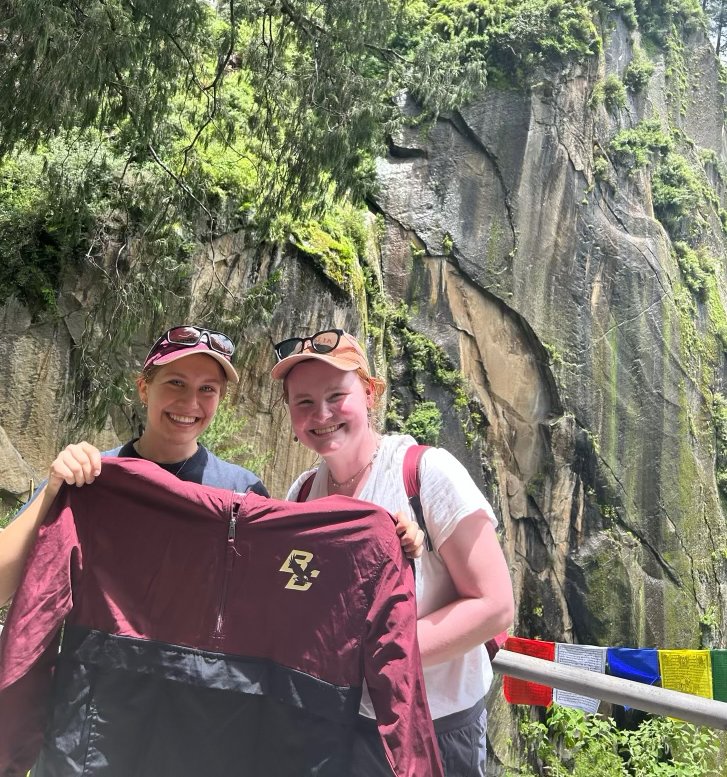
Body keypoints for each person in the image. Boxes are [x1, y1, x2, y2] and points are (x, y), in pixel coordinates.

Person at [0, 324, 422, 607]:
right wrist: (56, 488)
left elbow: (286, 593)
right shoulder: (93, 476)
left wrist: (387, 536)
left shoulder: (240, 491)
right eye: (176, 384)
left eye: (207, 389)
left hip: (199, 712)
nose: (190, 404)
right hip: (98, 704)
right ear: (145, 388)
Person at [274, 328, 516, 777]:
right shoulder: (302, 493)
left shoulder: (425, 474)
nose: (320, 413)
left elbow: (496, 605)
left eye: (336, 395)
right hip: (341, 719)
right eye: (303, 401)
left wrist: (381, 654)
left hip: (433, 726)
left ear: (368, 392)